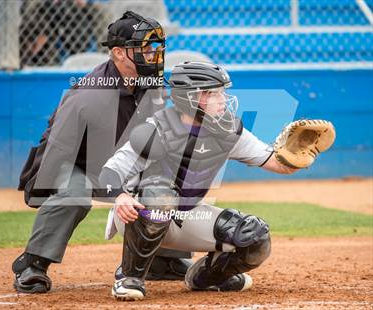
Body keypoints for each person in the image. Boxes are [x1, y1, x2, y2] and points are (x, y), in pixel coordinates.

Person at [12, 11, 192, 294]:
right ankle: (32, 263)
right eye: (144, 49)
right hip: (76, 162)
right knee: (76, 193)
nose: (153, 55)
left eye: (156, 48)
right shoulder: (92, 94)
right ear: (119, 53)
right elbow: (58, 146)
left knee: (162, 184)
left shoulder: (150, 83)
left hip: (119, 161)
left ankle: (162, 260)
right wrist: (41, 185)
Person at [98, 61, 304, 301]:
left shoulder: (227, 130)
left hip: (187, 215)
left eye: (222, 92)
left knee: (255, 237)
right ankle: (130, 277)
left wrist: (299, 156)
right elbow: (108, 174)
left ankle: (205, 278)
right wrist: (121, 197)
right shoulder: (157, 129)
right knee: (160, 195)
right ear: (190, 98)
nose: (223, 99)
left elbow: (276, 163)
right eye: (213, 93)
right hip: (137, 215)